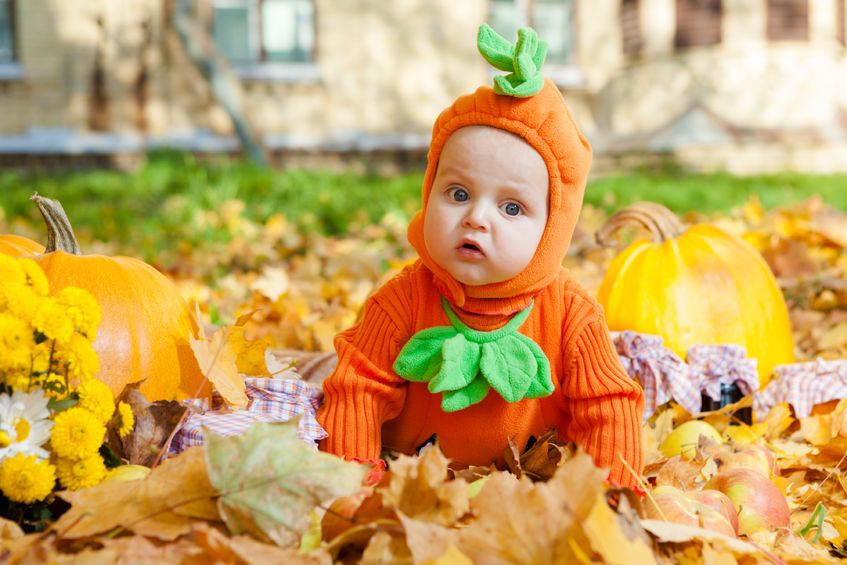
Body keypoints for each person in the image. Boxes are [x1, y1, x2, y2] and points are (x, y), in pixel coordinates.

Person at [317, 24, 645, 488]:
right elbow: (357, 389)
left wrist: (612, 502)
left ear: (552, 229)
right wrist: (351, 486)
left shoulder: (571, 315)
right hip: (412, 487)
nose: (476, 218)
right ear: (428, 191)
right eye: (458, 192)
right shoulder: (401, 302)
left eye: (511, 207)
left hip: (531, 491)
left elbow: (608, 406)